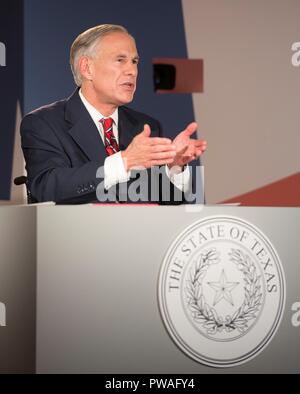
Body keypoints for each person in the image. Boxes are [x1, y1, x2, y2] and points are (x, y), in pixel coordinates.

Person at [21, 24, 207, 204]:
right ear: (87, 68)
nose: (132, 71)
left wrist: (174, 167)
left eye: (134, 62)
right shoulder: (44, 123)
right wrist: (124, 161)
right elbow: (46, 188)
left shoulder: (145, 126)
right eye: (120, 60)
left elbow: (168, 205)